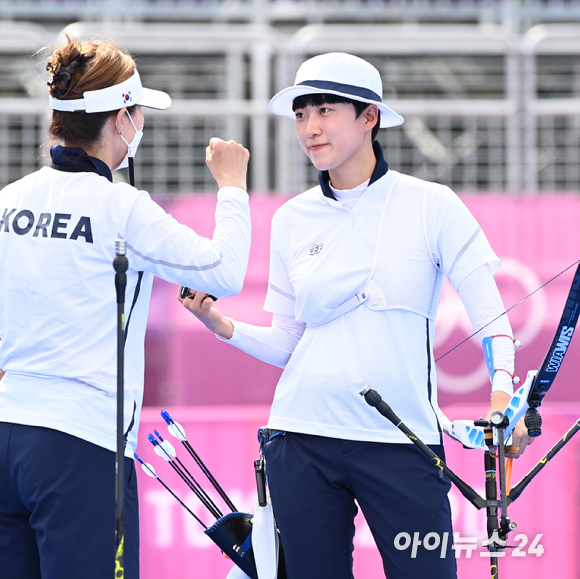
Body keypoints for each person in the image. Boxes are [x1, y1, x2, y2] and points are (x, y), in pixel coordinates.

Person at [178, 52, 531, 579]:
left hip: (403, 442)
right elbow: (288, 344)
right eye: (301, 114)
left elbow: (492, 317)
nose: (310, 127)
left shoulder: (433, 203)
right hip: (301, 439)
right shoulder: (292, 218)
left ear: (370, 117)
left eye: (324, 110)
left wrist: (503, 398)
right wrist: (222, 327)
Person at [0, 35, 250, 579]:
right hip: (81, 445)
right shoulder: (121, 207)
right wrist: (232, 187)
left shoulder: (8, 200)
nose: (141, 125)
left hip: (7, 432)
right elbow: (224, 270)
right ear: (120, 120)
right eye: (138, 113)